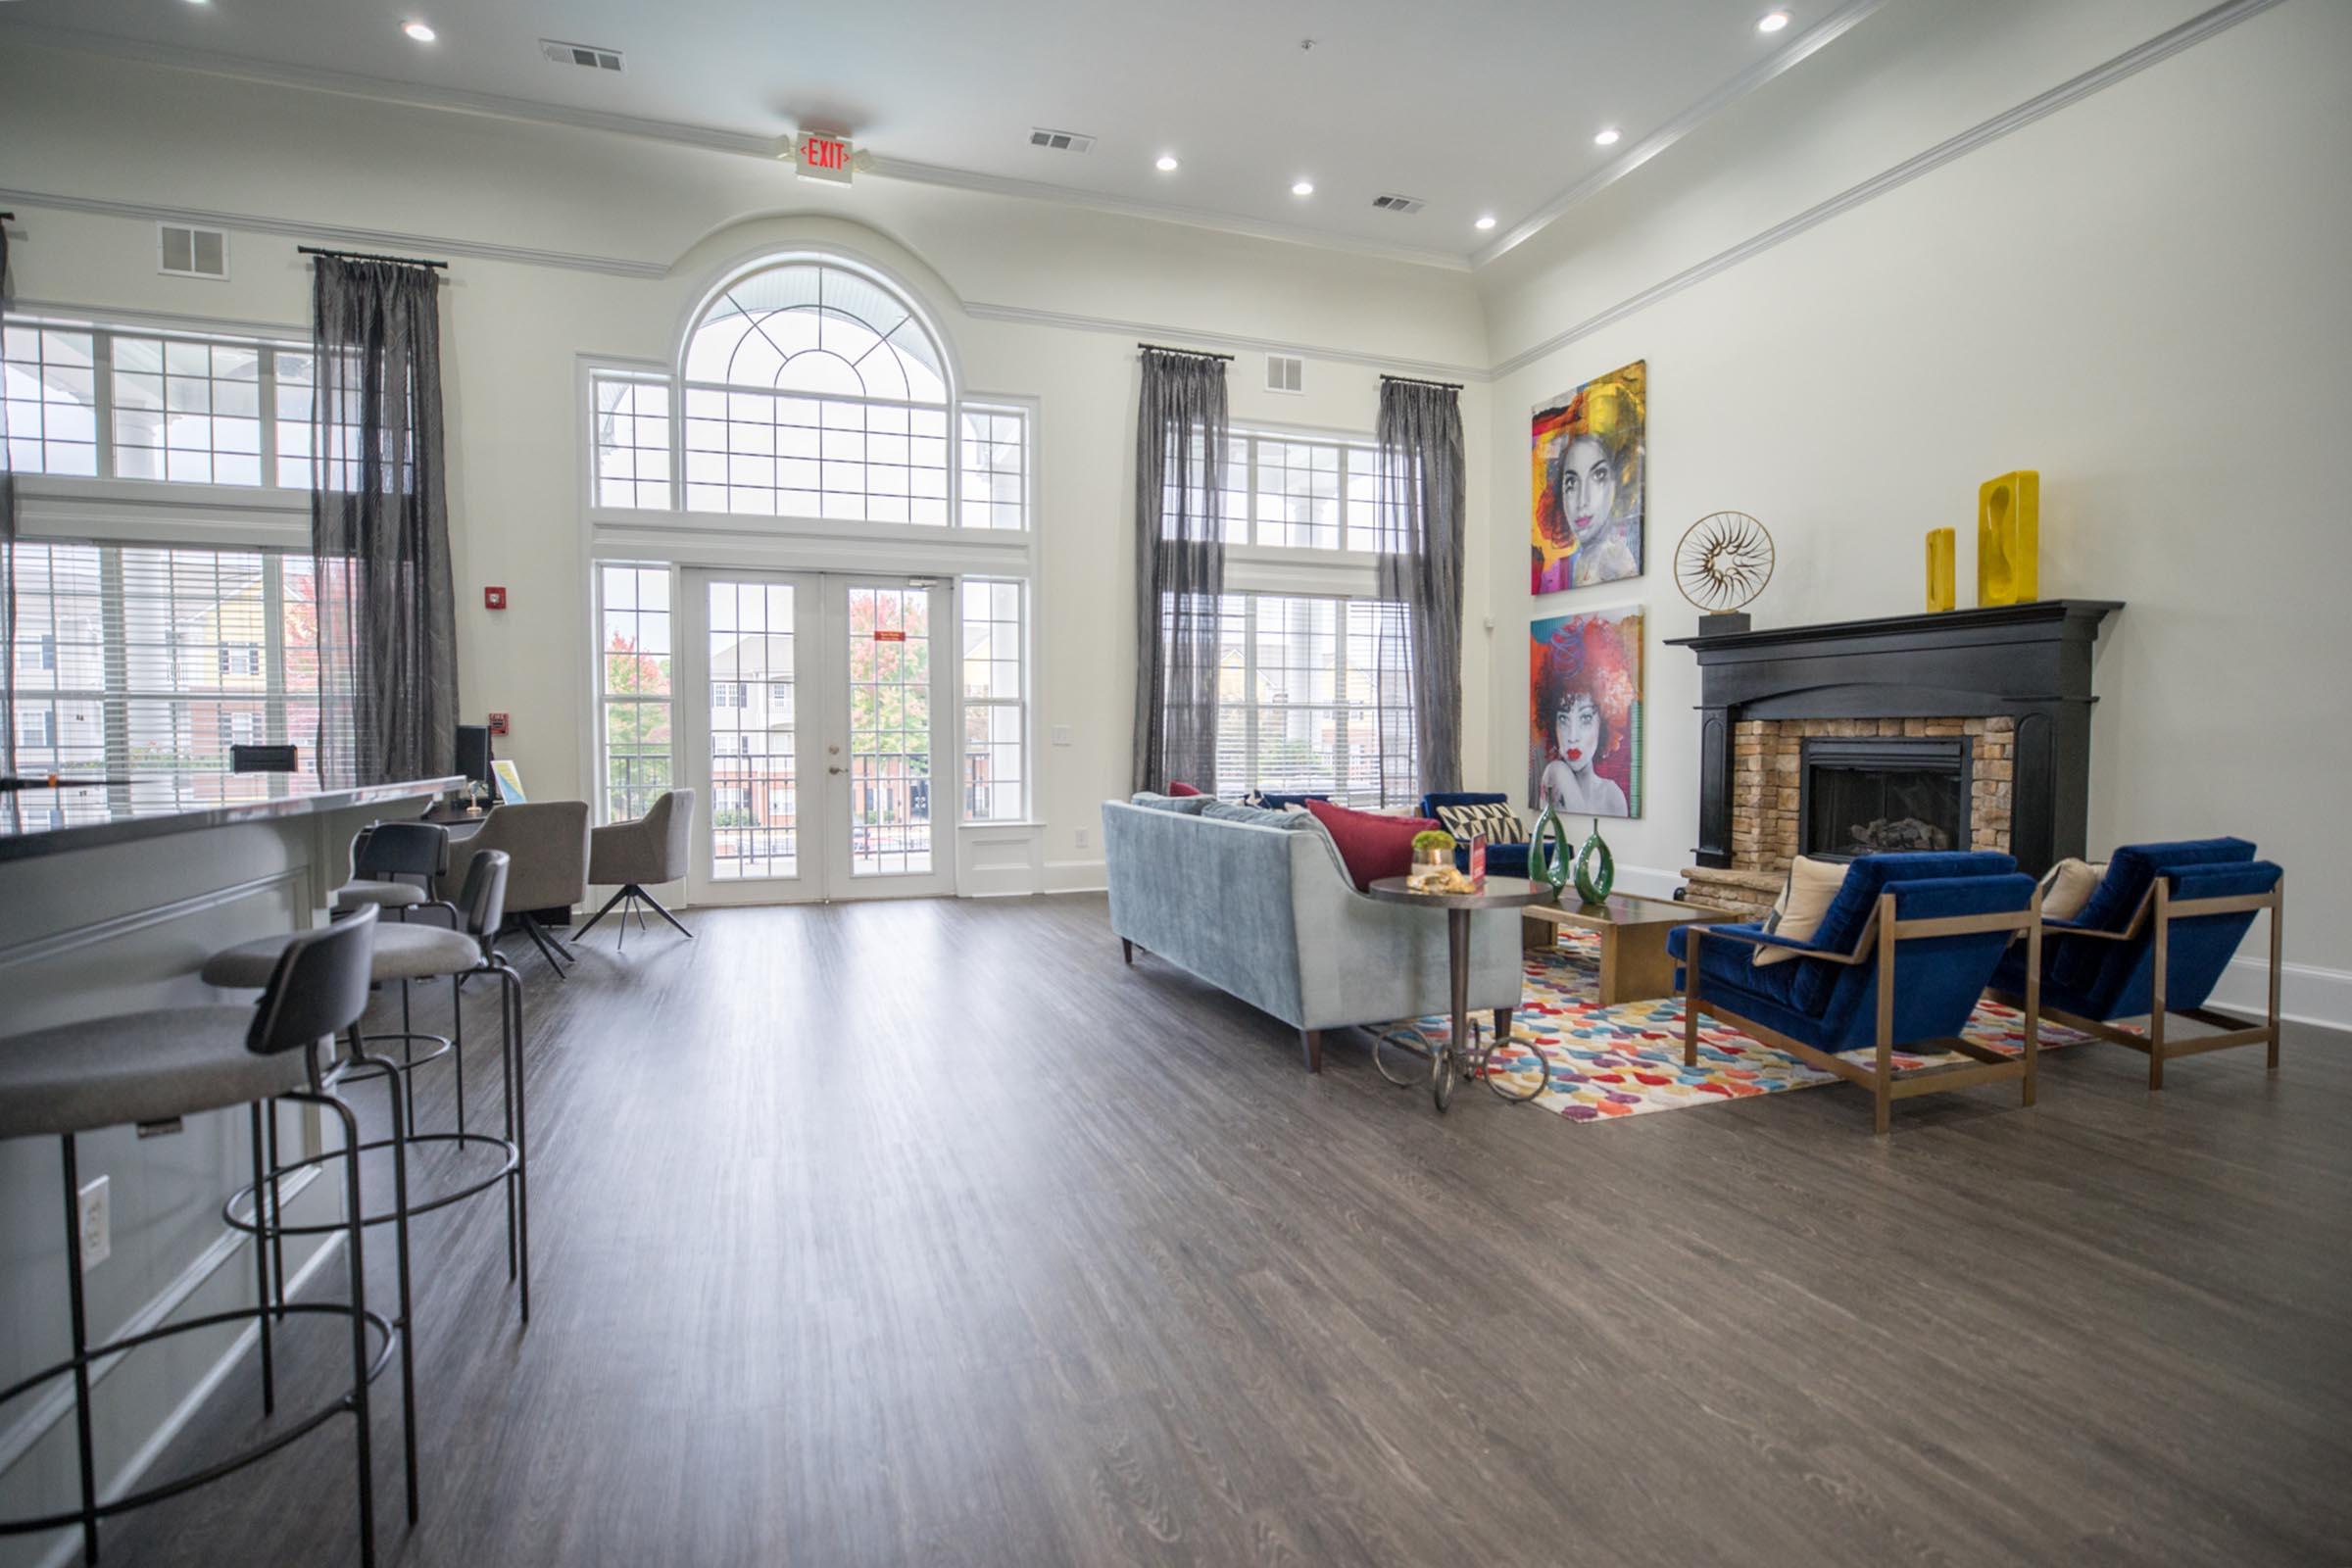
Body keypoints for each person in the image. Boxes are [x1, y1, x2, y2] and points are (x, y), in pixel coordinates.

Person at [1531, 368, 1644, 593]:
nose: (1582, 501)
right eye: (1571, 483)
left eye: (1598, 476)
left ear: (1620, 480)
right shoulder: (1583, 560)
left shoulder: (1613, 559)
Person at [1530, 614, 1638, 816]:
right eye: (1563, 719)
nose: (1572, 736)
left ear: (1604, 721)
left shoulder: (1613, 797)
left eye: (1586, 718)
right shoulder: (1554, 774)